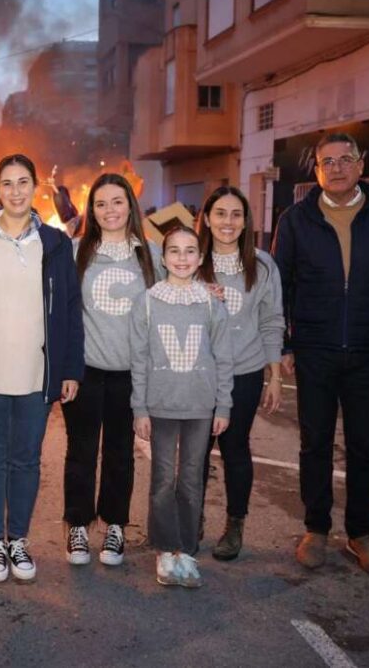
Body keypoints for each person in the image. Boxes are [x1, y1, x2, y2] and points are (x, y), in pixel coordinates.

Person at [272, 133, 369, 579]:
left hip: (368, 352)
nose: (335, 168)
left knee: (365, 447)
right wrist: (284, 344)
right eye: (326, 161)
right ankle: (316, 529)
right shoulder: (296, 219)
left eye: (344, 160)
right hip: (315, 350)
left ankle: (361, 533)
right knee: (314, 444)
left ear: (360, 165)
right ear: (316, 170)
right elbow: (281, 286)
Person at [0, 153, 84, 583]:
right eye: (7, 183)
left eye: (23, 181)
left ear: (35, 185)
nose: (16, 191)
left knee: (26, 459)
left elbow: (69, 309)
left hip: (34, 374)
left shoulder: (55, 243)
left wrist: (70, 369)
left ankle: (18, 540)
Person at [62, 173, 161, 567]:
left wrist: (210, 292)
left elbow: (178, 294)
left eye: (117, 202)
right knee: (81, 452)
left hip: (131, 374)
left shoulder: (150, 254)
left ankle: (115, 525)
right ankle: (78, 526)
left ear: (130, 206)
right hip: (86, 371)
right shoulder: (74, 252)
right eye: (100, 204)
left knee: (121, 453)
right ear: (91, 210)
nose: (109, 211)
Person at [130, 226, 233, 588]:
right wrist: (139, 408)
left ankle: (186, 549)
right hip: (160, 406)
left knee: (191, 480)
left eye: (190, 251)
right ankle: (165, 550)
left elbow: (223, 357)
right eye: (174, 251)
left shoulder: (210, 303)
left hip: (201, 408)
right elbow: (139, 359)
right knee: (162, 480)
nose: (182, 258)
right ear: (163, 258)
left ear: (201, 258)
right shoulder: (147, 301)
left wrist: (224, 404)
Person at [196, 186, 285, 561]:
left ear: (246, 220)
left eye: (236, 214)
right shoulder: (191, 260)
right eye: (220, 213)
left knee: (235, 449)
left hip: (245, 372)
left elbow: (271, 321)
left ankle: (235, 525)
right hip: (198, 372)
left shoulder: (263, 265)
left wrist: (275, 375)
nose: (228, 222)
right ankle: (190, 519)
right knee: (196, 452)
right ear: (207, 219)